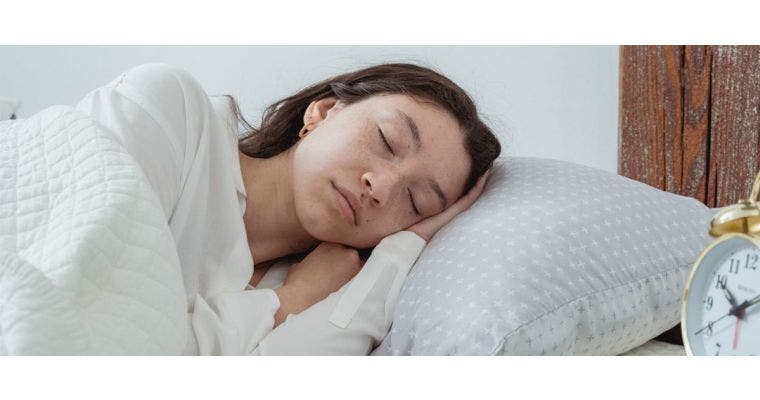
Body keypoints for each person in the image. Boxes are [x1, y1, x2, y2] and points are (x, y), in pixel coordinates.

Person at [75, 62, 501, 355]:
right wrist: (290, 300)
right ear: (323, 112)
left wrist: (400, 252)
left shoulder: (323, 289)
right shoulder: (173, 111)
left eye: (416, 201)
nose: (382, 187)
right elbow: (88, 338)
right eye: (388, 141)